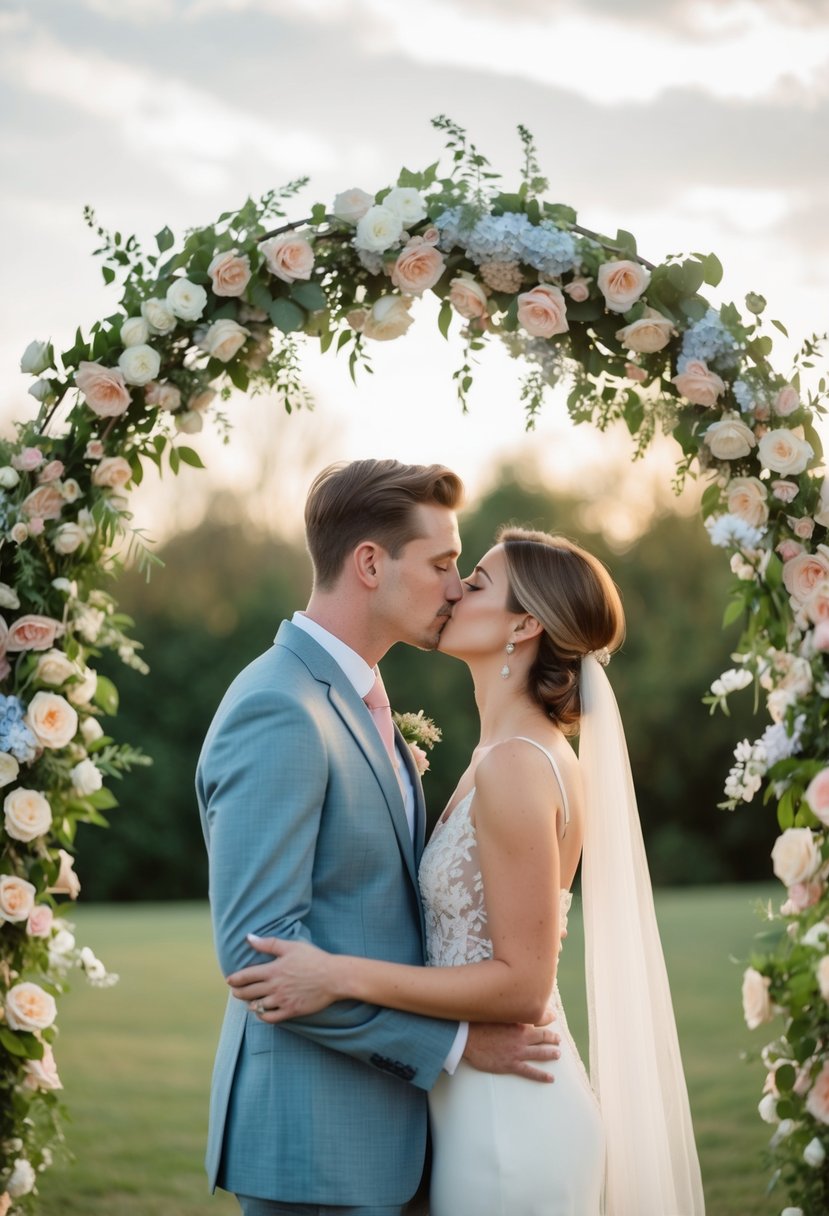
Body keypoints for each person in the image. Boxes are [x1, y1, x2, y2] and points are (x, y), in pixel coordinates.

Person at [229, 527, 707, 1215]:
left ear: (525, 623)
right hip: (470, 1110)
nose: (454, 589)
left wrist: (336, 975)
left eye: (476, 581)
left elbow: (522, 985)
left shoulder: (518, 764)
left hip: (509, 1125)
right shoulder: (497, 753)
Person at [197, 464, 561, 1216]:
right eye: (440, 564)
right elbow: (260, 957)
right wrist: (454, 1048)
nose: (456, 586)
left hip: (397, 1135)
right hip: (317, 1141)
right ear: (369, 564)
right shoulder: (280, 708)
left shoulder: (362, 700)